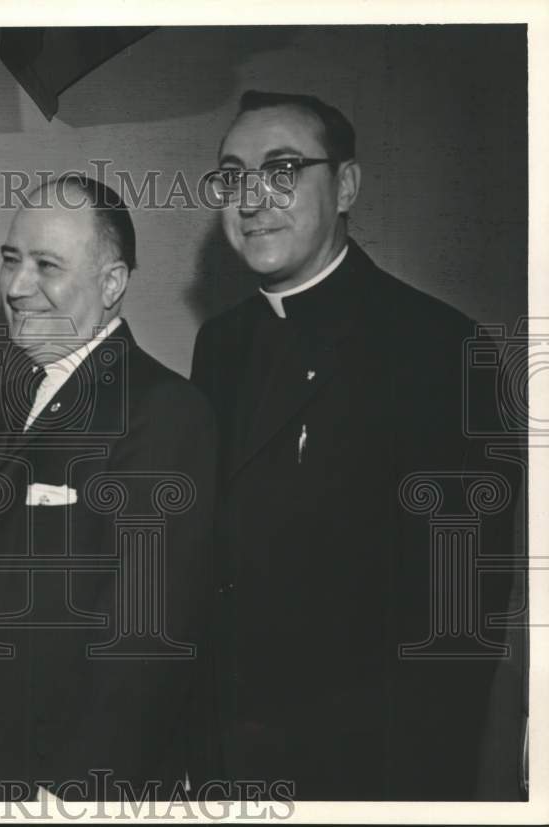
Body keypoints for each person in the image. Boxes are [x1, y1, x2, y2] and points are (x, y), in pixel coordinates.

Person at [190, 90, 521, 800]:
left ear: (345, 187)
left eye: (283, 171)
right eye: (233, 176)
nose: (251, 199)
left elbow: (456, 625)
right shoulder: (219, 344)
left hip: (363, 768)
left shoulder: (440, 348)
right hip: (230, 759)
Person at [0, 176, 219, 801]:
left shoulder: (162, 411)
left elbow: (147, 639)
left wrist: (77, 797)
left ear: (111, 284)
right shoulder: (7, 404)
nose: (16, 287)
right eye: (11, 260)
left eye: (46, 266)